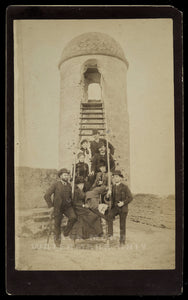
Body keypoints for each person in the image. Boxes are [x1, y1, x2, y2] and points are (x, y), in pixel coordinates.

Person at [44, 168, 77, 247]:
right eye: (65, 175)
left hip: (67, 207)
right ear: (60, 176)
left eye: (67, 175)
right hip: (57, 208)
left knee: (73, 217)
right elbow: (46, 195)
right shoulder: (56, 184)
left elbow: (72, 197)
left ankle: (66, 232)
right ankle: (57, 242)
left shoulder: (69, 185)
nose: (66, 177)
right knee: (57, 225)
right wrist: (51, 206)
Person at [69, 176, 103, 240]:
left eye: (82, 184)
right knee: (93, 216)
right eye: (79, 184)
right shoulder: (75, 191)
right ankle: (97, 232)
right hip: (78, 209)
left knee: (95, 215)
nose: (81, 186)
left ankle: (96, 233)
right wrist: (83, 205)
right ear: (77, 184)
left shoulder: (81, 190)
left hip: (82, 208)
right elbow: (75, 202)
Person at [107, 170, 133, 246]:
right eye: (114, 177)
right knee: (109, 216)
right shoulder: (113, 187)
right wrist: (108, 195)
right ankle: (110, 234)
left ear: (120, 178)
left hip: (123, 208)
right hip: (115, 207)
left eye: (117, 177)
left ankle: (122, 241)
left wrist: (123, 203)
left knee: (122, 225)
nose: (115, 178)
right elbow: (110, 199)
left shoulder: (125, 187)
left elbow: (130, 197)